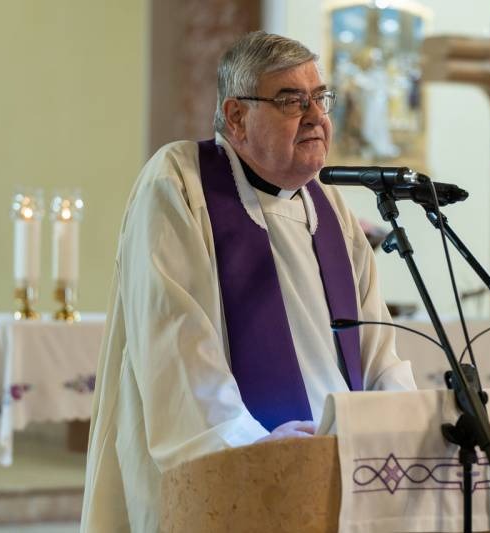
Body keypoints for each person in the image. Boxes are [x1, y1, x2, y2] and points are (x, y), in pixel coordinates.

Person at [80, 31, 416, 532]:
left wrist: (401, 421)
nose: (316, 116)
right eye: (291, 100)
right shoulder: (180, 182)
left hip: (340, 474)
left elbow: (376, 344)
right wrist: (252, 445)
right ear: (236, 117)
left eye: (320, 98)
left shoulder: (330, 205)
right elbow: (174, 339)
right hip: (236, 473)